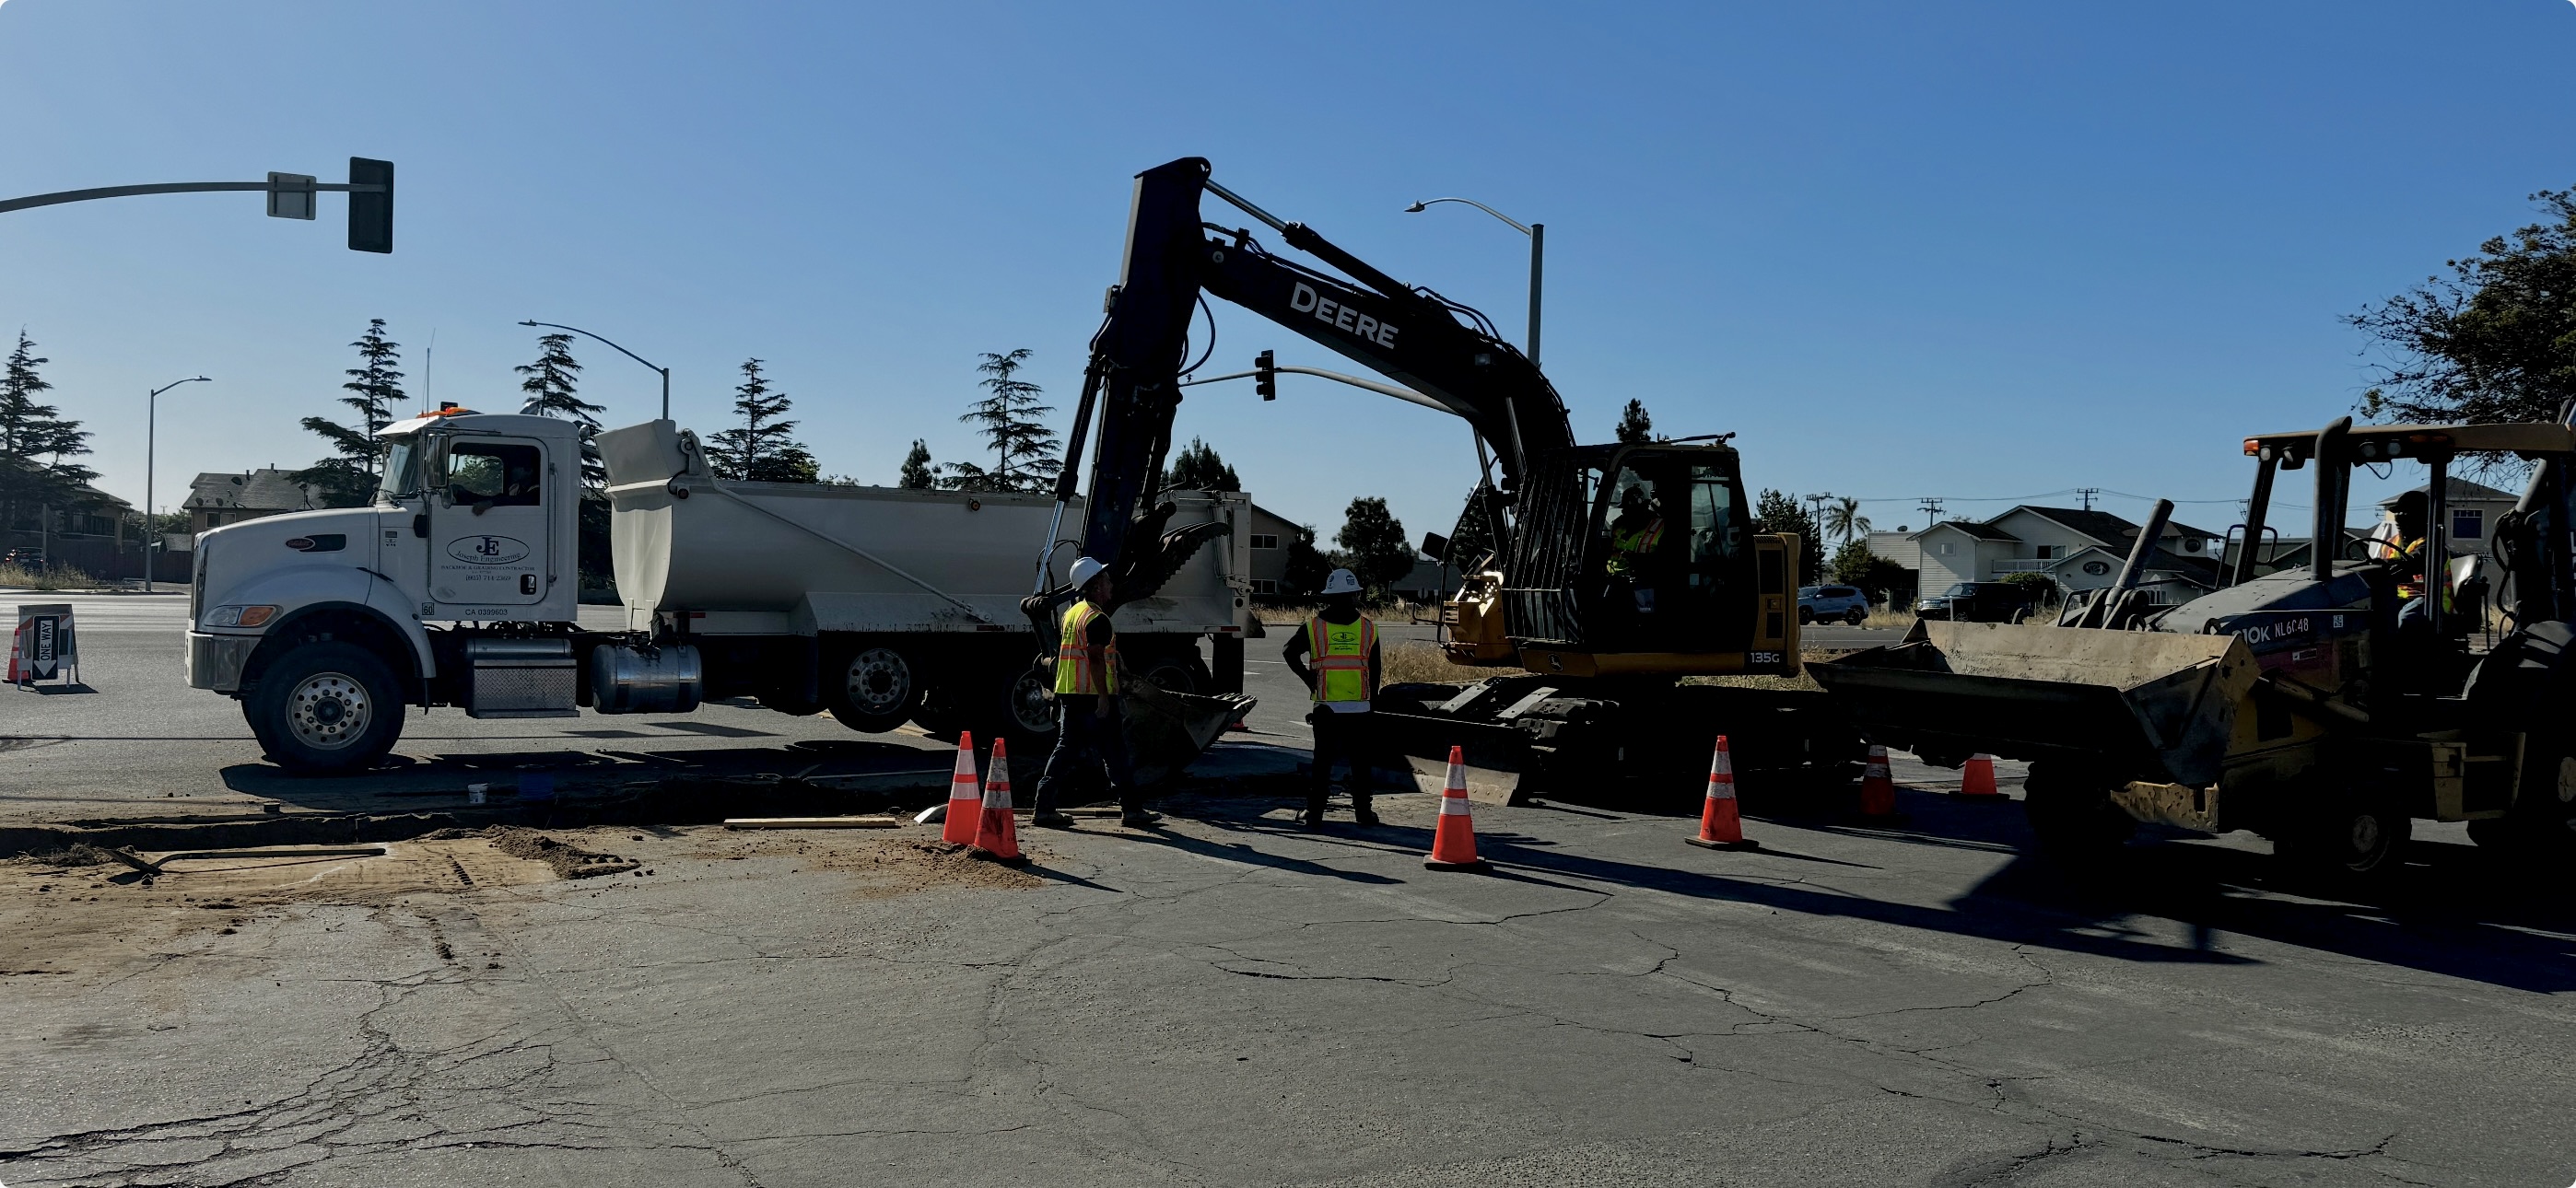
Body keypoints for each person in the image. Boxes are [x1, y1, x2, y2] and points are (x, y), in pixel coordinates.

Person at [1030, 557, 1157, 830]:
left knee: (1067, 750)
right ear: (1097, 585)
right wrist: (1102, 696)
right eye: (1107, 580)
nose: (1111, 584)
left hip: (1070, 693)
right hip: (1091, 696)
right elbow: (1096, 658)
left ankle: (1044, 807)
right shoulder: (1098, 619)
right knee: (1114, 751)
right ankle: (1132, 810)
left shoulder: (1072, 613)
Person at [1282, 568, 1383, 828]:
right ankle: (1363, 813)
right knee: (1360, 764)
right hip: (1360, 708)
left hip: (1327, 707)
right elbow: (1375, 673)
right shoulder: (1368, 629)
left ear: (1329, 597)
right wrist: (1373, 705)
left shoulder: (1314, 627)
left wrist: (1309, 680)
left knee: (1322, 763)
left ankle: (1314, 814)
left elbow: (1289, 653)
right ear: (1355, 595)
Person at [1604, 484, 1665, 616]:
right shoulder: (1619, 523)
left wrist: (1641, 560)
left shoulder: (1659, 526)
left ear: (1641, 508)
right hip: (1616, 580)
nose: (1624, 512)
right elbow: (1612, 547)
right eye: (1624, 508)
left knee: (1644, 617)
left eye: (1628, 509)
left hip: (1644, 582)